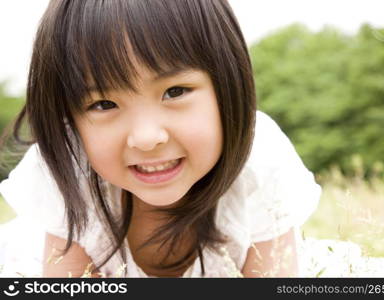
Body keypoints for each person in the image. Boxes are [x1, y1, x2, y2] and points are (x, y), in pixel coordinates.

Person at [0, 0, 321, 278]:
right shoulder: (66, 167)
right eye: (104, 104)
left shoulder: (261, 160)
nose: (146, 138)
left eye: (175, 92)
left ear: (229, 84)